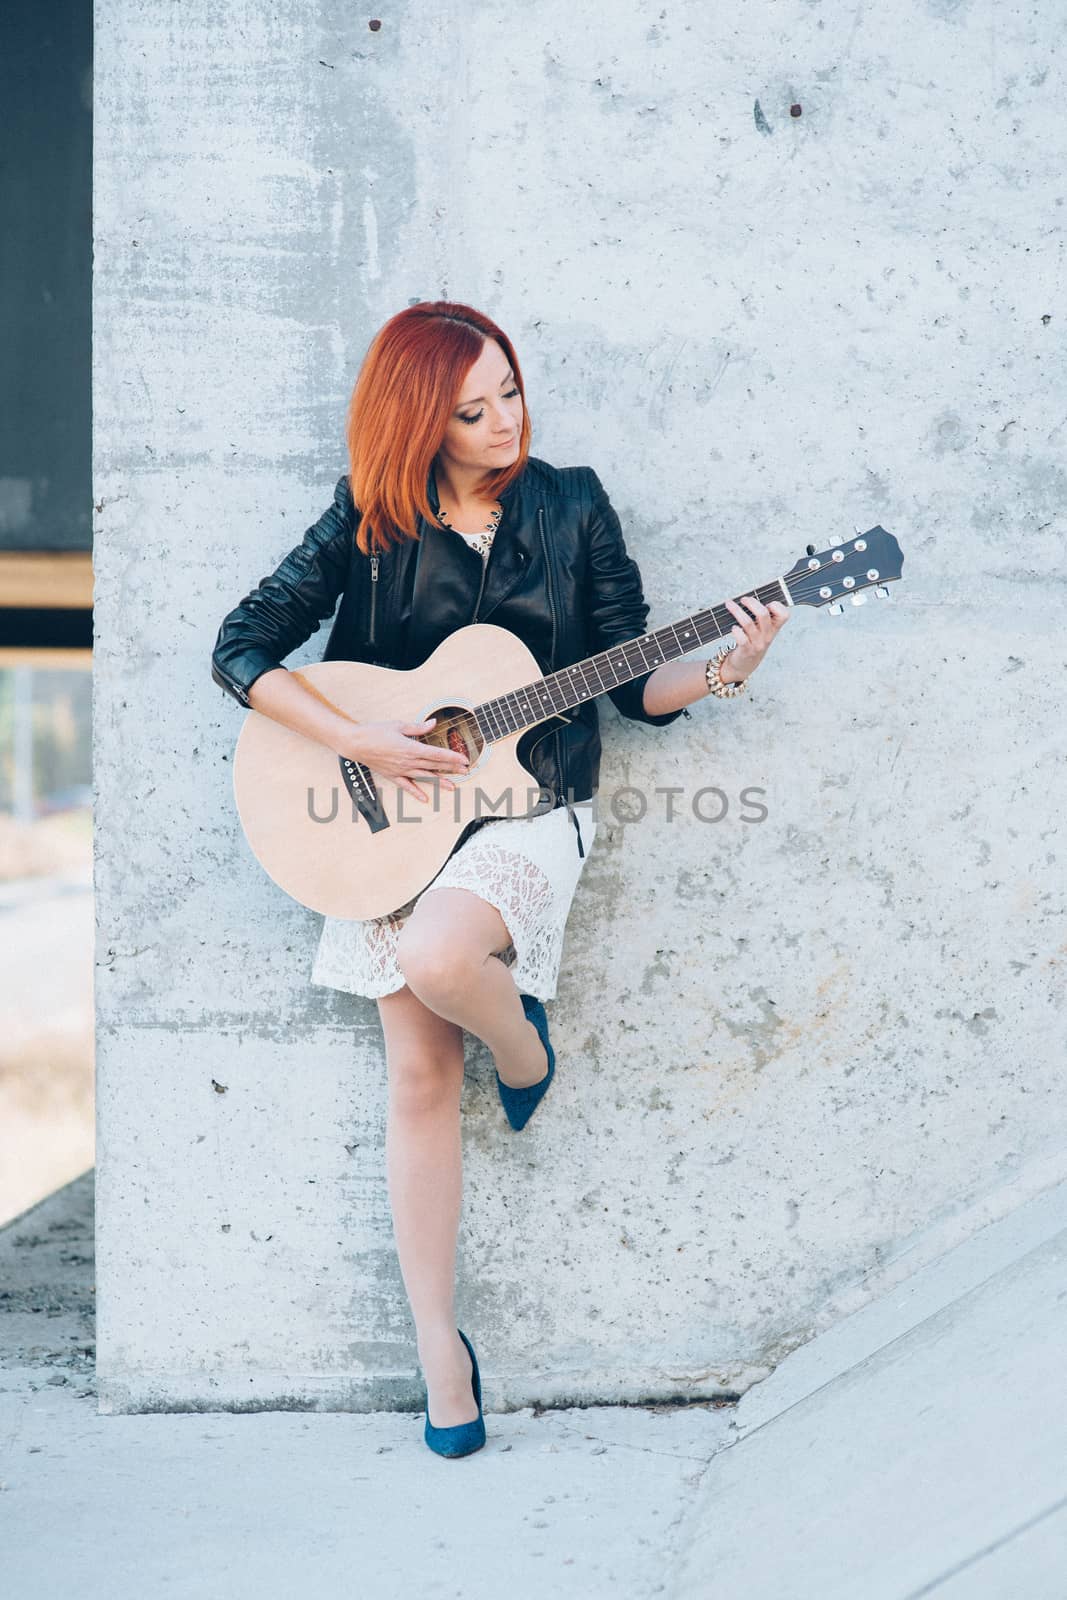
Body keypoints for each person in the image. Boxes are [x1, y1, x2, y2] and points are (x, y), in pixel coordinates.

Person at [211, 301, 789, 1458]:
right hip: (383, 817)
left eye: (510, 393)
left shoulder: (572, 503)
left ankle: (522, 1046)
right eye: (471, 410)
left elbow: (631, 687)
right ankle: (440, 1347)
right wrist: (363, 738)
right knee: (419, 1080)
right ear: (420, 418)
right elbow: (241, 647)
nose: (502, 423)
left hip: (529, 811)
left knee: (440, 959)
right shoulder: (369, 516)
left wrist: (723, 667)